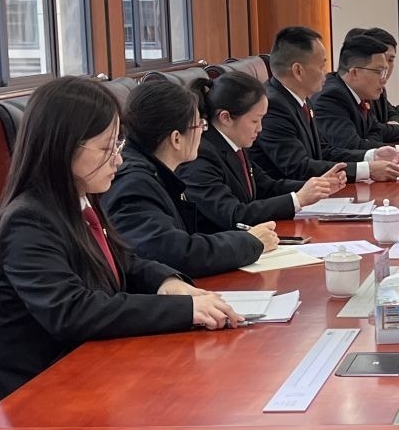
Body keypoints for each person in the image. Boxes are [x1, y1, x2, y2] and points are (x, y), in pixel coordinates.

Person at [0, 76, 238, 404]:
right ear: (64, 147)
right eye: (107, 149)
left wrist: (168, 283)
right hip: (38, 395)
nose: (118, 159)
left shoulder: (81, 198)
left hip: (95, 371)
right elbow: (73, 311)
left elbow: (124, 261)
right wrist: (184, 310)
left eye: (118, 145)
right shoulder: (28, 221)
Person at [101, 77, 277, 279]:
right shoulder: (134, 185)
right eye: (199, 126)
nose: (203, 133)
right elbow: (176, 253)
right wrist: (249, 242)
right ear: (176, 138)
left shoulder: (153, 172)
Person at [185, 67, 349, 231]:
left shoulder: (233, 143)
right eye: (254, 121)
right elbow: (234, 215)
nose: (260, 129)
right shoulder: (199, 155)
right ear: (226, 118)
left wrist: (317, 185)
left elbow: (268, 187)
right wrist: (298, 199)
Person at [255, 25, 399, 184]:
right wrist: (367, 170)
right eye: (321, 66)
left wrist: (371, 156)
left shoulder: (300, 99)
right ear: (298, 71)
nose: (325, 72)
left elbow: (322, 150)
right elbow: (299, 167)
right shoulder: (272, 106)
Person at [313, 31, 399, 151]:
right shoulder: (331, 97)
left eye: (384, 72)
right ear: (354, 73)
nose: (384, 80)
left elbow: (376, 131)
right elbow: (352, 146)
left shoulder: (360, 94)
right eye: (378, 72)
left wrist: (368, 141)